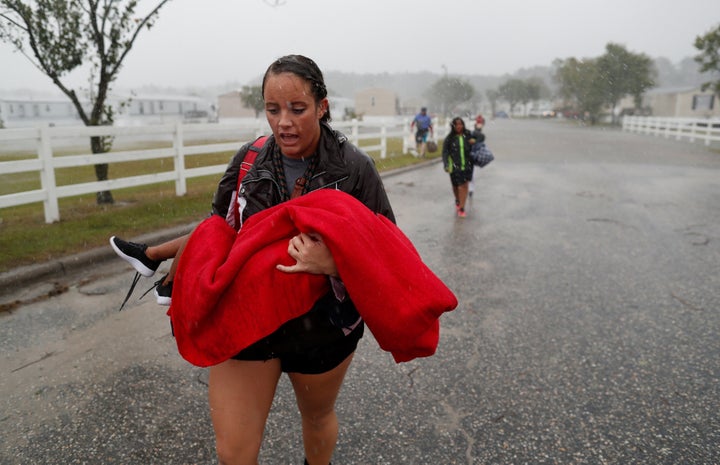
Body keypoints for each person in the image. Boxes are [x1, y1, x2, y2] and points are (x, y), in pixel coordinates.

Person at [121, 55, 396, 465]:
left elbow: (390, 253)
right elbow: (219, 229)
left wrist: (334, 263)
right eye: (273, 109)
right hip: (245, 317)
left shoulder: (356, 170)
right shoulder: (249, 159)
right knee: (233, 451)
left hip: (322, 324)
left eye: (297, 109)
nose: (284, 121)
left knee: (317, 419)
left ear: (322, 107)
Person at [442, 116, 474, 218]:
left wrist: (475, 140)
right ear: (453, 126)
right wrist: (446, 164)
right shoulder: (450, 138)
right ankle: (458, 200)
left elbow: (481, 137)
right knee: (456, 186)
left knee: (463, 186)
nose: (459, 126)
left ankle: (462, 208)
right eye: (457, 124)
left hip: (467, 166)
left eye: (461, 124)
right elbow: (445, 152)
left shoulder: (468, 135)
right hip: (454, 167)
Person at [468, 114, 486, 198]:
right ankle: (470, 189)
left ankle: (470, 189)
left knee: (470, 173)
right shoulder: (480, 137)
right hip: (472, 156)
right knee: (471, 173)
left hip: (471, 156)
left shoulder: (479, 137)